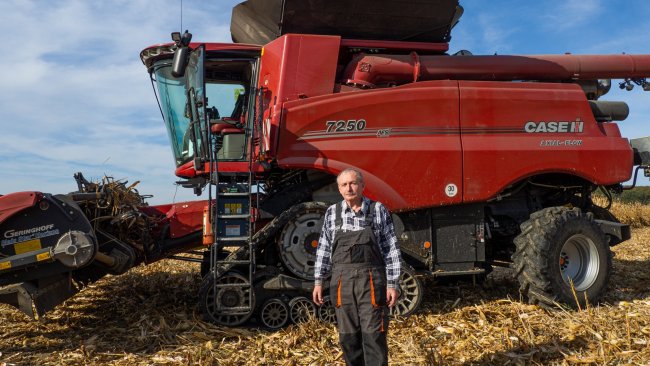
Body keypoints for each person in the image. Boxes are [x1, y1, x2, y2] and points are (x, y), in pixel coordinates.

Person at [312, 168, 401, 366]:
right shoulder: (332, 213)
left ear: (362, 186)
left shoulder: (377, 210)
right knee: (348, 338)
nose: (349, 188)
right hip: (342, 284)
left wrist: (392, 284)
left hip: (371, 282)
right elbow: (324, 249)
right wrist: (319, 281)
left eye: (353, 183)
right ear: (339, 189)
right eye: (344, 185)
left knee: (374, 336)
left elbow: (391, 249)